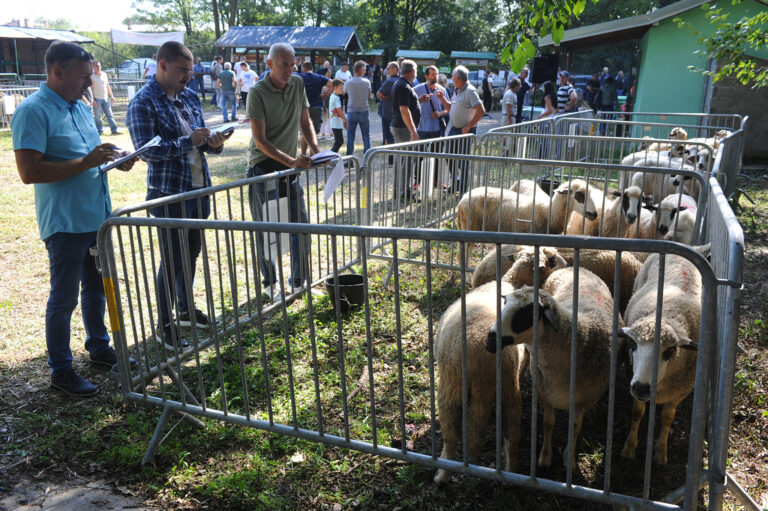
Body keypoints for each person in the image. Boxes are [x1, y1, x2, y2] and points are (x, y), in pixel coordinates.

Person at [12, 41, 138, 396]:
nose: (89, 83)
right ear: (58, 72)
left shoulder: (81, 107)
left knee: (97, 288)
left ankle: (99, 347)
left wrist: (116, 159)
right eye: (84, 77)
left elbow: (92, 156)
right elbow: (29, 171)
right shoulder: (33, 111)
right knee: (63, 297)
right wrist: (86, 162)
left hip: (97, 216)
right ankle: (61, 371)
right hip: (65, 222)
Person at [126, 41, 232, 351]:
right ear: (162, 66)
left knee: (192, 252)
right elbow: (147, 152)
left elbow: (200, 140)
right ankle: (165, 323)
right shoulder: (143, 102)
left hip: (199, 188)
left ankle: (185, 309)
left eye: (190, 70)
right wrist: (188, 141)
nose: (189, 76)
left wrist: (215, 142)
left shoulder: (188, 97)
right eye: (182, 70)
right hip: (169, 194)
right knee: (172, 259)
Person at [246, 42, 319, 302]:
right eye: (283, 65)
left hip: (289, 169)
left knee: (301, 225)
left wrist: (317, 150)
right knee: (267, 229)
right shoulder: (256, 92)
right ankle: (270, 284)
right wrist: (291, 161)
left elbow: (305, 120)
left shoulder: (298, 84)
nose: (290, 70)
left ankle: (299, 281)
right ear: (269, 65)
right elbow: (259, 140)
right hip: (263, 168)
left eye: (293, 64)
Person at [435, 65, 484, 194]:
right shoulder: (457, 90)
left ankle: (463, 190)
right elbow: (452, 107)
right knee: (449, 157)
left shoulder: (470, 91)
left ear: (458, 79)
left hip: (465, 132)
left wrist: (468, 127)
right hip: (454, 129)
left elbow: (481, 110)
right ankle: (456, 182)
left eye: (453, 76)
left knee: (463, 162)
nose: (451, 78)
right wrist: (442, 99)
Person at [297, 61, 332, 154]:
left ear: (303, 68)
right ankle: (313, 156)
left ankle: (303, 154)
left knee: (304, 131)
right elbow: (332, 83)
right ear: (311, 68)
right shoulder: (319, 77)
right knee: (315, 132)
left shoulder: (299, 76)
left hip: (304, 107)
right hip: (317, 106)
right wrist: (325, 95)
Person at [344, 60, 372, 156]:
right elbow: (369, 96)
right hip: (364, 110)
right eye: (364, 69)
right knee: (366, 136)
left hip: (351, 111)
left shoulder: (348, 83)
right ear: (360, 69)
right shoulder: (367, 82)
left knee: (350, 137)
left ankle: (349, 159)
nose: (365, 71)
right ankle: (368, 157)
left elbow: (346, 94)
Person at [413, 65, 447, 141]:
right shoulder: (417, 89)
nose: (436, 77)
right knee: (420, 152)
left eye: (437, 74)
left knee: (435, 152)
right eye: (433, 74)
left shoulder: (442, 90)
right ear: (426, 76)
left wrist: (439, 113)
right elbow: (408, 105)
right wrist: (420, 100)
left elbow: (448, 109)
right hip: (421, 128)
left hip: (437, 129)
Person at [90, 60, 121, 135]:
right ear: (93, 67)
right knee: (97, 116)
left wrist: (112, 96)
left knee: (110, 115)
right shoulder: (91, 77)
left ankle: (114, 130)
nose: (98, 67)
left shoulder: (104, 74)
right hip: (97, 99)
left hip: (105, 98)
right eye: (96, 66)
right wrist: (93, 100)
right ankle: (100, 131)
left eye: (99, 65)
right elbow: (90, 89)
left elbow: (107, 86)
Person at [376, 61, 399, 145]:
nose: (387, 70)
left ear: (395, 70)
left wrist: (383, 96)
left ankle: (390, 157)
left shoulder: (389, 81)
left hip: (387, 113)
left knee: (388, 136)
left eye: (389, 68)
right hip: (397, 113)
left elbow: (378, 94)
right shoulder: (401, 80)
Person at [329, 79, 347, 153]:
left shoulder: (334, 96)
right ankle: (329, 157)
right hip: (335, 123)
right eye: (341, 88)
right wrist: (346, 120)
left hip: (336, 122)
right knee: (339, 142)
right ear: (335, 87)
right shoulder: (335, 98)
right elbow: (339, 111)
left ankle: (331, 157)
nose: (342, 90)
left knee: (338, 142)